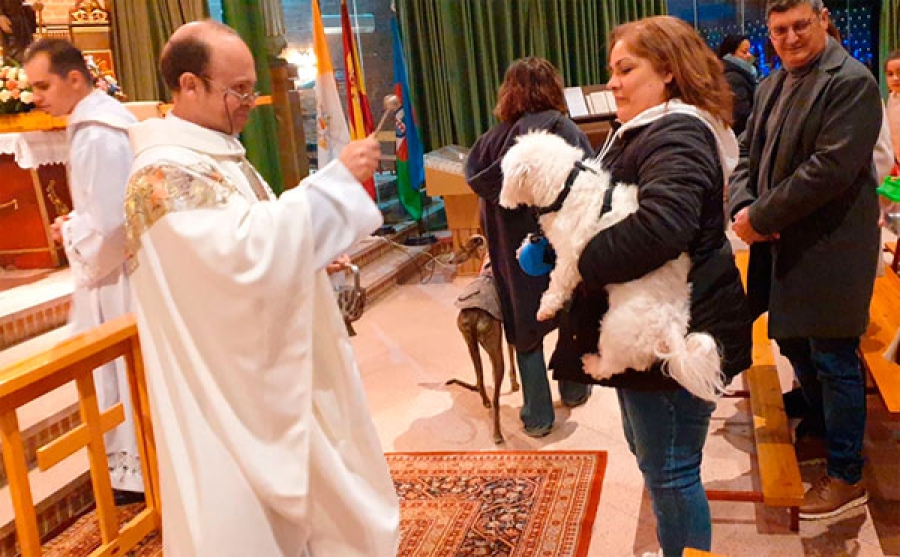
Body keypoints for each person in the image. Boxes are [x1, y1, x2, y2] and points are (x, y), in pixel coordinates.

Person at [122, 20, 399, 555]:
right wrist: (333, 185)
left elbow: (257, 242)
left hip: (252, 367)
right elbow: (239, 260)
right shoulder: (161, 177)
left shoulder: (217, 154)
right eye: (238, 90)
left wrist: (313, 252)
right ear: (188, 85)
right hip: (223, 390)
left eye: (251, 86)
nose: (251, 101)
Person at [550, 16, 751, 555]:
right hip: (653, 324)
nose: (612, 82)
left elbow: (664, 225)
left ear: (666, 70)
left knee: (671, 470)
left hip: (675, 326)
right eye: (611, 70)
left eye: (625, 69)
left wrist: (579, 260)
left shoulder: (677, 131)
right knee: (653, 454)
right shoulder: (650, 127)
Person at [728, 0, 881, 521]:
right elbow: (747, 153)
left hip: (831, 246)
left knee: (834, 354)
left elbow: (828, 170)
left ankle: (847, 473)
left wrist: (760, 214)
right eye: (779, 30)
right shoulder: (773, 82)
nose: (790, 38)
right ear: (768, 33)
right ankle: (817, 417)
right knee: (790, 337)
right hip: (781, 238)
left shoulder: (852, 81)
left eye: (800, 26)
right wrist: (741, 206)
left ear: (820, 19)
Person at [23, 39, 144, 503]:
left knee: (118, 372)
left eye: (42, 85)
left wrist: (70, 231)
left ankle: (131, 477)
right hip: (118, 273)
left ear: (75, 78)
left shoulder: (97, 133)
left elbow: (113, 224)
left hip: (117, 280)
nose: (36, 97)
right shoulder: (105, 120)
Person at [465, 57, 593, 438]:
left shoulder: (489, 142)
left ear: (508, 92)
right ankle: (573, 388)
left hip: (512, 253)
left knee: (525, 325)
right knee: (570, 311)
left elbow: (485, 201)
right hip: (559, 244)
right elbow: (587, 184)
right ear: (553, 87)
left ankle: (537, 415)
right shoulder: (563, 130)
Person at [717, 34, 757, 136]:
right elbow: (741, 114)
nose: (749, 56)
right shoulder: (733, 79)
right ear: (730, 54)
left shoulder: (739, 74)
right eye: (744, 52)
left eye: (749, 51)